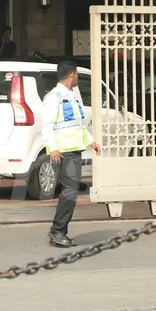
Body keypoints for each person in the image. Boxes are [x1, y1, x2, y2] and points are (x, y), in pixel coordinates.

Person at [41, 60, 101, 248]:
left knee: (70, 190)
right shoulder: (54, 97)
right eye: (77, 76)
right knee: (70, 191)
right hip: (63, 151)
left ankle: (58, 230)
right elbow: (47, 125)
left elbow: (78, 123)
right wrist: (53, 148)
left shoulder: (72, 95)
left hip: (74, 149)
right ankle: (58, 231)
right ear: (72, 75)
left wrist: (90, 140)